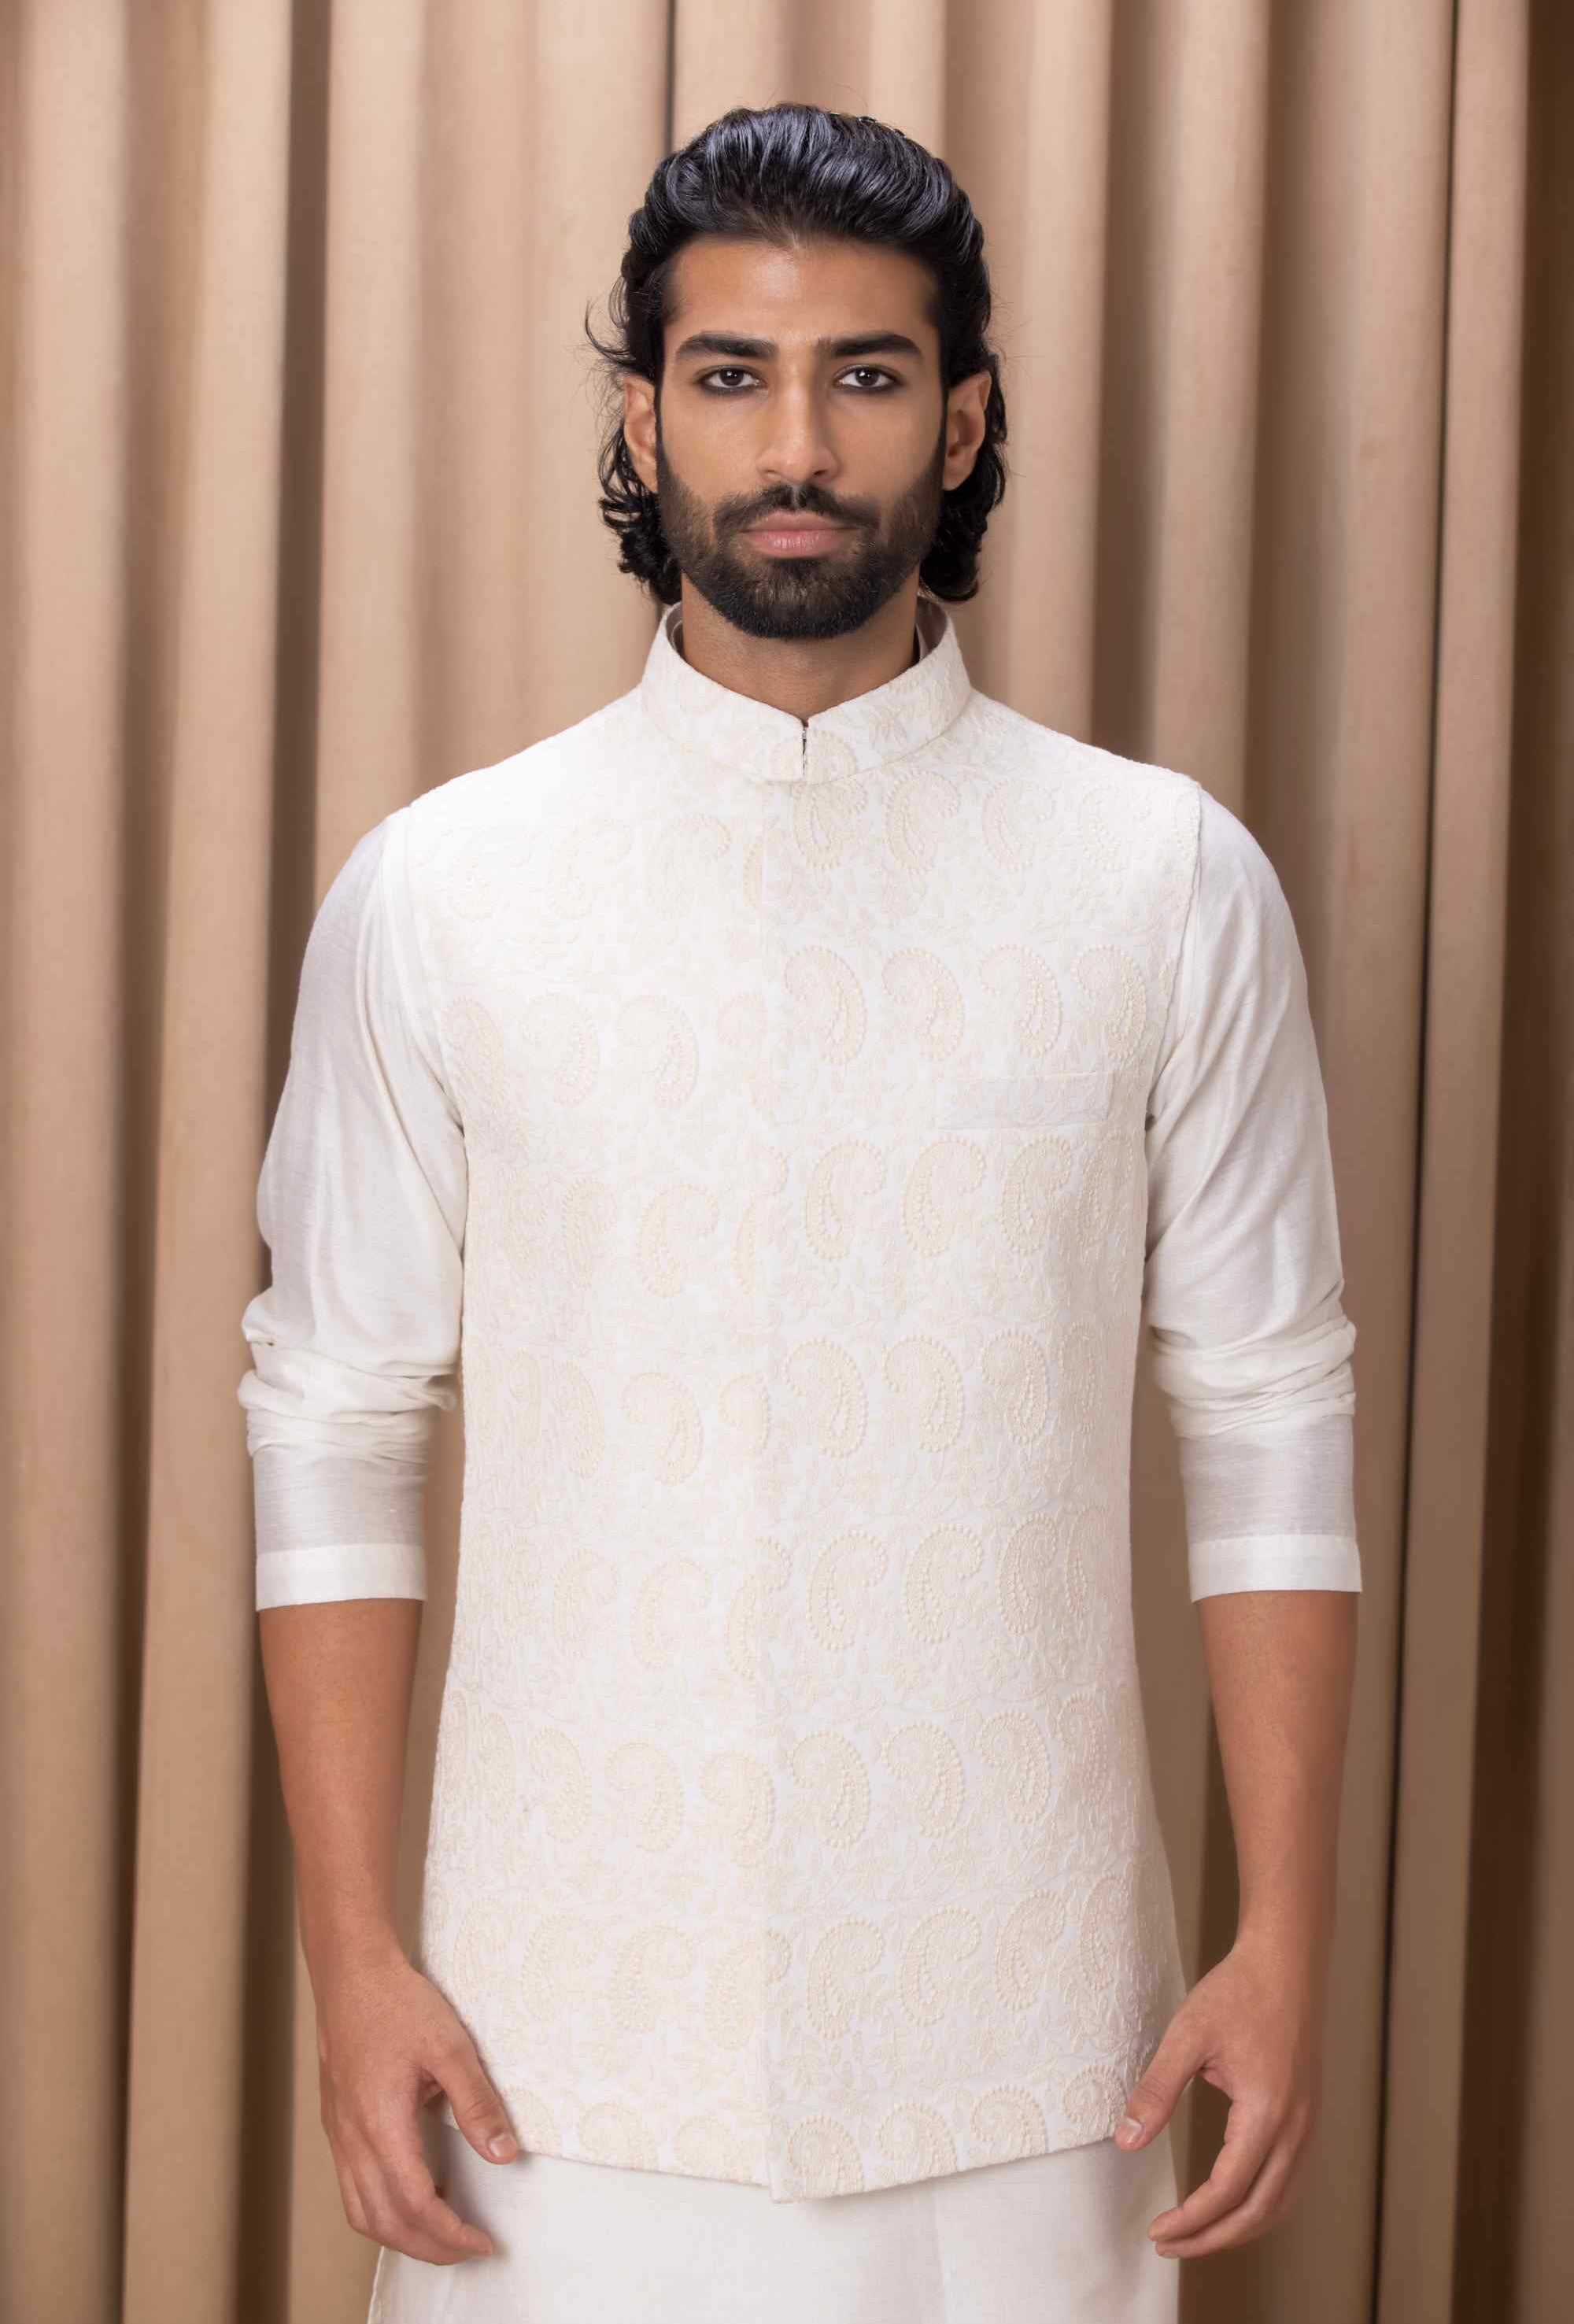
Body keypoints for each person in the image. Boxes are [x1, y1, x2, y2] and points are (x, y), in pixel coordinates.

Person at [238, 102, 1360, 2324]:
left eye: (865, 374)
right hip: (550, 2050)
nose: (798, 447)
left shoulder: (1162, 881)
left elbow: (1269, 1412)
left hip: (1040, 2052)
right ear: (643, 420)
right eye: (733, 375)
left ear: (964, 420)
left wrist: (1288, 1939)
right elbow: (334, 1419)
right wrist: (352, 1956)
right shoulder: (446, 890)